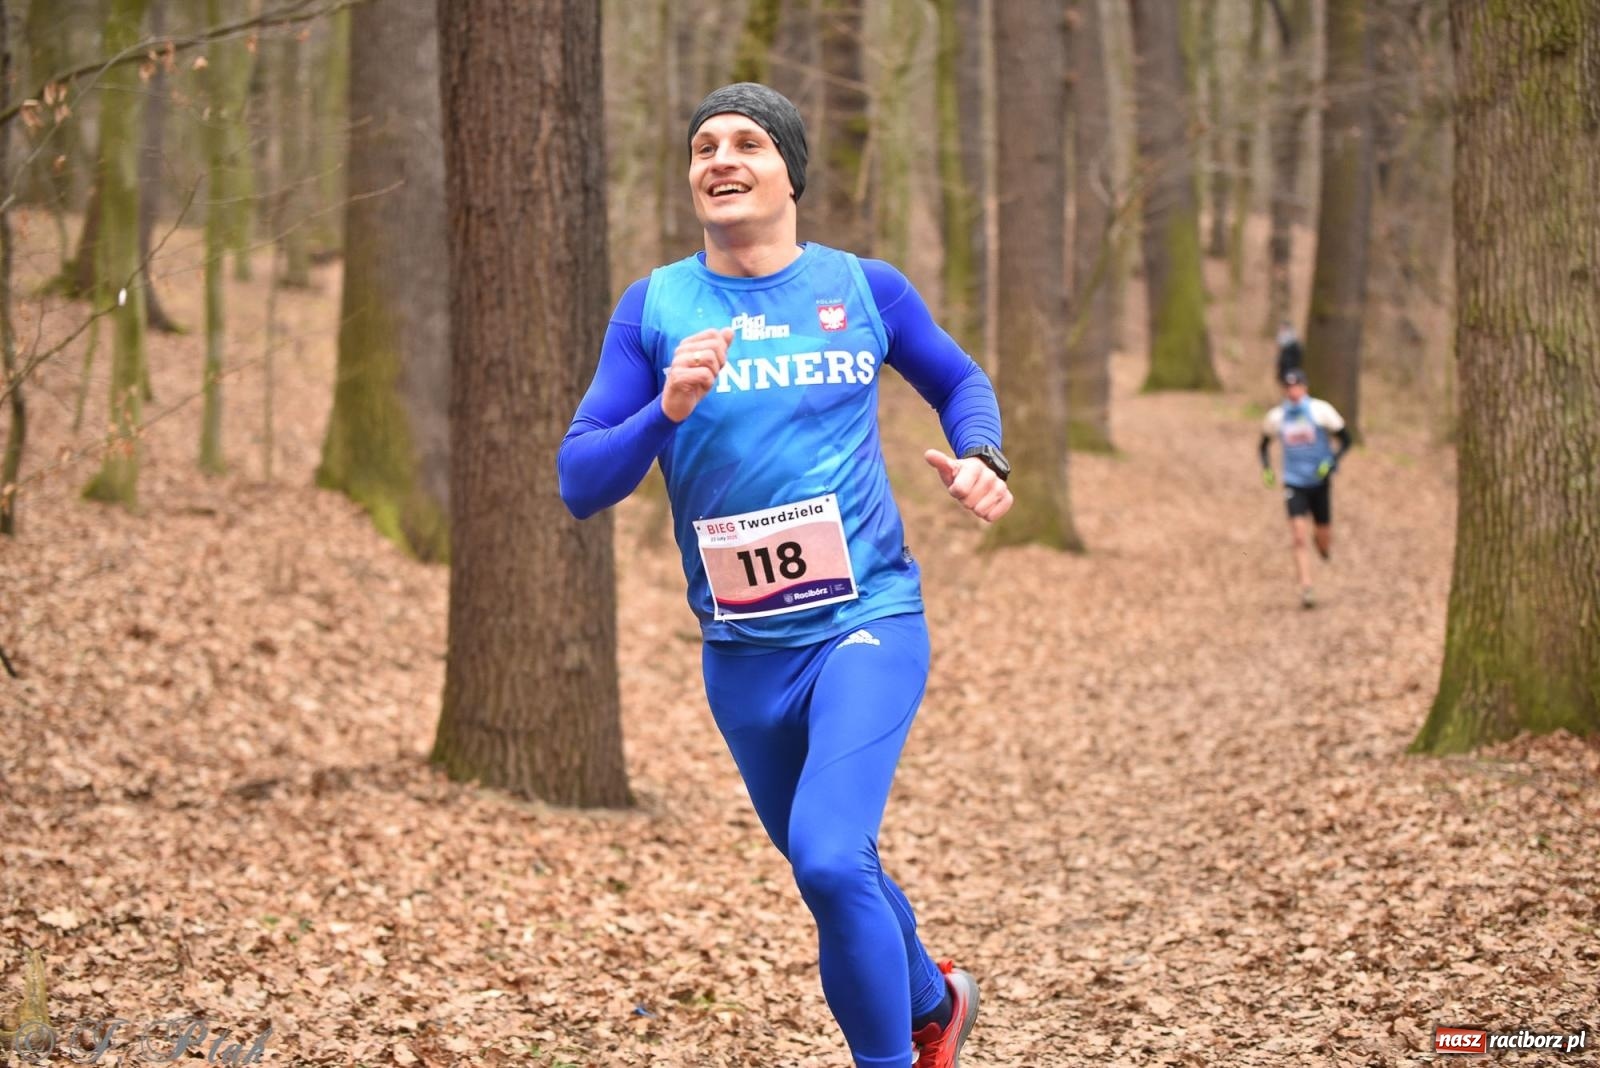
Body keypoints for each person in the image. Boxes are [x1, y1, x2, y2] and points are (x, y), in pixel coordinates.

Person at [557, 83, 1010, 1068]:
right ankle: (934, 1006)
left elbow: (958, 382)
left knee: (828, 854)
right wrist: (664, 410)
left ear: (789, 171)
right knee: (835, 872)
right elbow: (579, 480)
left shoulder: (865, 287)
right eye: (703, 145)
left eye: (748, 143)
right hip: (743, 654)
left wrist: (982, 455)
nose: (721, 158)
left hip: (866, 620)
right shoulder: (657, 307)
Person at [1258, 368, 1351, 608]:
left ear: (1305, 387)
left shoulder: (1321, 411)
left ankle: (1322, 545)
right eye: (1288, 387)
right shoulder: (1277, 417)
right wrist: (1267, 469)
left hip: (1319, 482)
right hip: (1294, 482)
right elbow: (1263, 446)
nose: (1293, 391)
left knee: (1323, 537)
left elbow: (1346, 440)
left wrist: (1331, 462)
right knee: (1298, 536)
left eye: (1296, 386)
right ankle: (1306, 587)